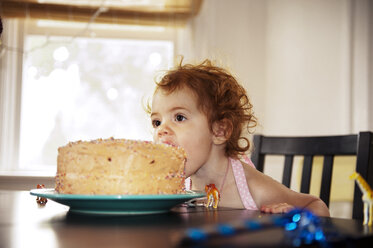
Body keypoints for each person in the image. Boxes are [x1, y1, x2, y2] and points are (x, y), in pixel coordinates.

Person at [149, 59, 330, 217]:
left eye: (179, 117)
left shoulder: (254, 188)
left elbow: (316, 205)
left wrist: (293, 215)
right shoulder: (175, 187)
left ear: (220, 131)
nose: (162, 130)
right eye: (157, 122)